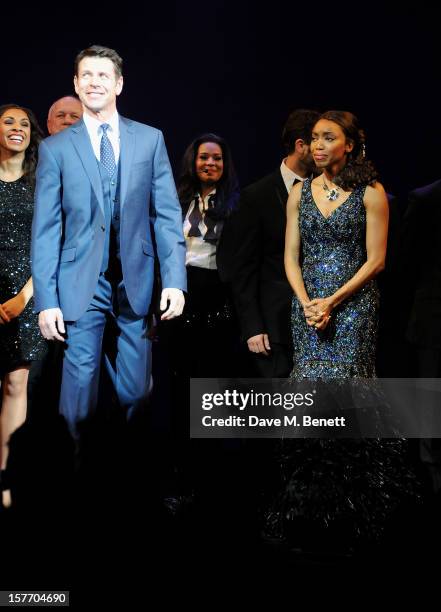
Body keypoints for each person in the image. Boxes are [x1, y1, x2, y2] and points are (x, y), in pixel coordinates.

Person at [275, 110, 417, 548]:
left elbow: (377, 260)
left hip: (353, 308)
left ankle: (354, 513)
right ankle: (306, 509)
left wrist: (333, 302)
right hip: (308, 308)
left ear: (350, 144)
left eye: (327, 138)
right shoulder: (299, 192)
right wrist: (306, 304)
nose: (317, 146)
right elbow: (289, 256)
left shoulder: (371, 193)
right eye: (313, 138)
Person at [31, 45, 186, 442]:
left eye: (103, 75)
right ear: (76, 84)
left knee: (136, 394)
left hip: (137, 282)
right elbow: (47, 230)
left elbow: (166, 216)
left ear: (118, 84)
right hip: (81, 283)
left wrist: (174, 280)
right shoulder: (56, 149)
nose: (94, 82)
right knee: (78, 400)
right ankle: (80, 485)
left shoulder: (150, 140)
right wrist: (47, 301)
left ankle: (126, 478)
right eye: (86, 75)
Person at [232, 109, 319, 378]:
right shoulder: (256, 196)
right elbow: (243, 268)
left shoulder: (331, 193)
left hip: (320, 321)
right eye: (317, 141)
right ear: (301, 146)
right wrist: (252, 326)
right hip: (274, 326)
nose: (323, 149)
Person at [0, 104, 46, 507]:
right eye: (9, 122)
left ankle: (7, 483)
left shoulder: (39, 183)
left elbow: (48, 245)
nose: (18, 129)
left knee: (17, 383)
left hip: (25, 292)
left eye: (24, 124)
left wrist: (24, 297)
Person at [401, 178, 441, 494]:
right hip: (434, 318)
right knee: (431, 398)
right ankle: (431, 474)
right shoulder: (426, 198)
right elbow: (406, 260)